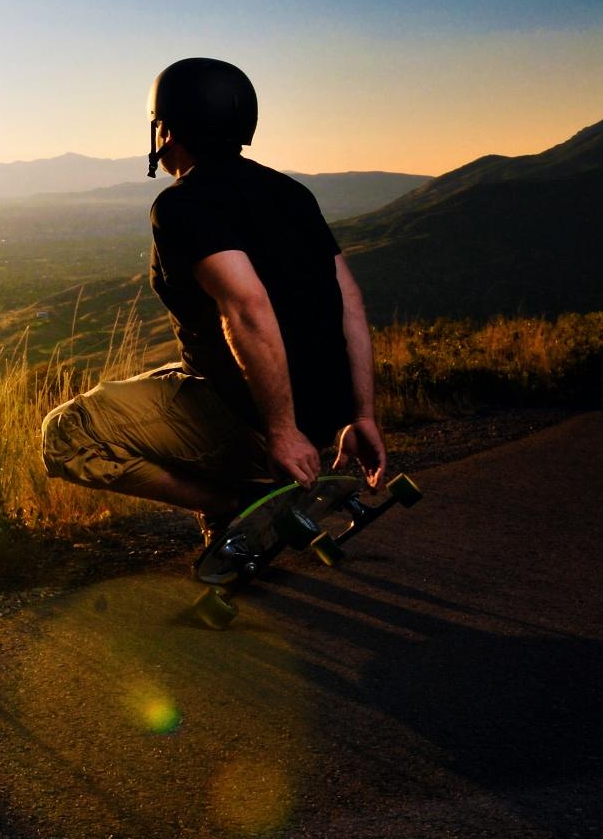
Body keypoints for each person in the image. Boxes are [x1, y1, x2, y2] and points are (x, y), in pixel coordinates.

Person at [39, 58, 388, 574]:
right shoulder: (292, 193)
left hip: (258, 426)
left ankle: (237, 504)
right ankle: (239, 504)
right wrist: (361, 416)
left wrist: (281, 432)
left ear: (167, 128)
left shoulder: (183, 206)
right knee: (166, 377)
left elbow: (246, 308)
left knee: (66, 434)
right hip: (312, 420)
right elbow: (351, 304)